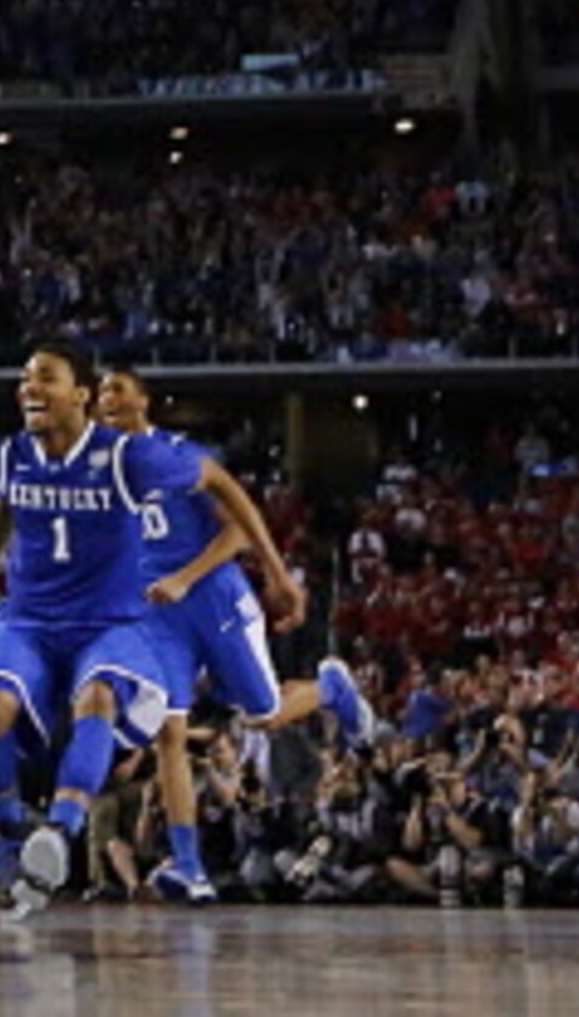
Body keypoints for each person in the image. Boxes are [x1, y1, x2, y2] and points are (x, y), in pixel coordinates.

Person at [90, 367, 375, 905]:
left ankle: (330, 689)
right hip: (158, 614)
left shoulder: (176, 455)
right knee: (169, 734)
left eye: (117, 389)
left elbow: (240, 526)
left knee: (262, 715)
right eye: (101, 391)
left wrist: (260, 575)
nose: (107, 398)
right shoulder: (99, 469)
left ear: (144, 401)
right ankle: (189, 867)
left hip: (213, 595)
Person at [0, 341, 189, 916]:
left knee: (99, 697)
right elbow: (4, 509)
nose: (28, 387)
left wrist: (243, 560)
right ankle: (15, 830)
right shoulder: (9, 456)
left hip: (106, 619)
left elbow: (214, 483)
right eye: (24, 377)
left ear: (81, 394)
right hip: (30, 617)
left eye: (44, 377)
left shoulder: (128, 457)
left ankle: (59, 831)